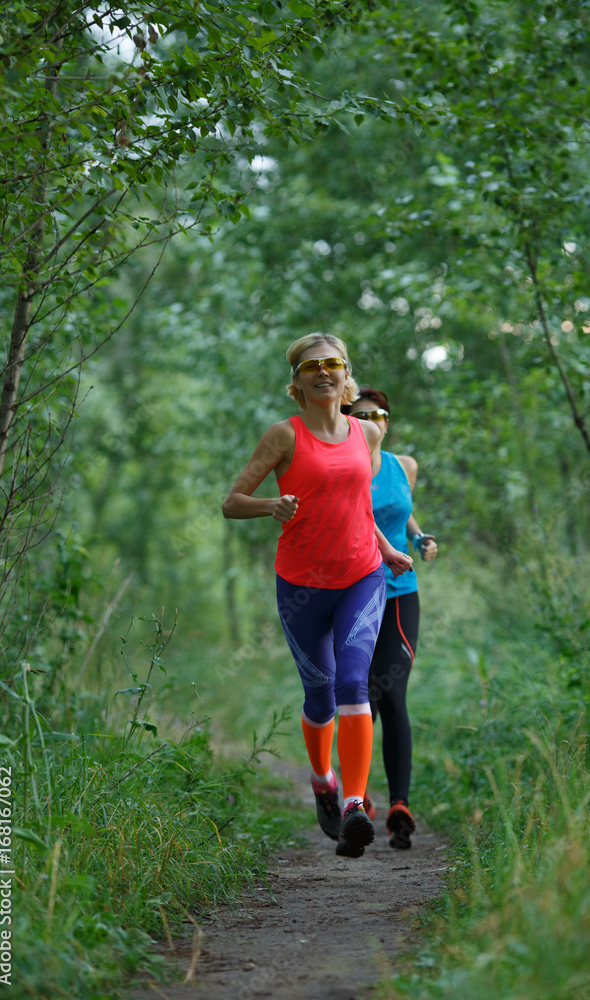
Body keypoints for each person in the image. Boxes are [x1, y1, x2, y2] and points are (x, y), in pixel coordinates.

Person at [222, 335, 413, 858]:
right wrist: (272, 507)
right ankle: (323, 779)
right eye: (313, 366)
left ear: (346, 373)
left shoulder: (367, 433)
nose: (324, 373)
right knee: (320, 690)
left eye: (333, 364)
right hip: (302, 584)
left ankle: (354, 803)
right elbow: (231, 503)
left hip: (361, 576)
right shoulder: (284, 436)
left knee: (354, 680)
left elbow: (357, 507)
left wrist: (386, 548)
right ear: (298, 379)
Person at [344, 387, 437, 849]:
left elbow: (402, 508)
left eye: (379, 413)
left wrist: (421, 538)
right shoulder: (341, 464)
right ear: (348, 420)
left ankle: (399, 803)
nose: (372, 420)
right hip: (355, 592)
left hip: (401, 593)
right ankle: (356, 803)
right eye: (361, 414)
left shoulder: (405, 465)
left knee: (392, 694)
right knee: (361, 698)